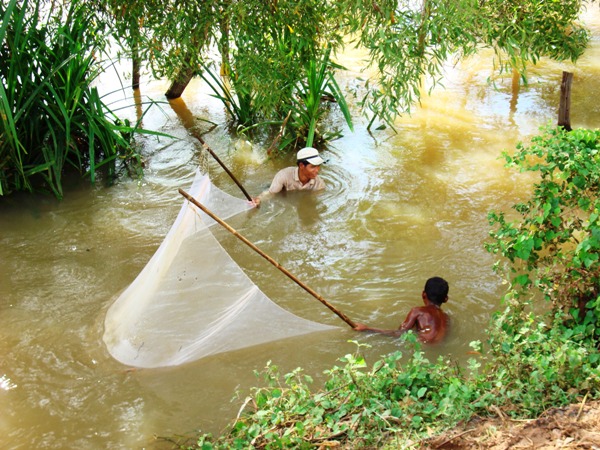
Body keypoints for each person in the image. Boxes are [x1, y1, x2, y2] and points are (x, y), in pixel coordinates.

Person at [353, 277, 450, 343]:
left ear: (423, 294)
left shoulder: (418, 311)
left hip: (421, 345)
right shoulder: (446, 317)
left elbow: (399, 333)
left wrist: (367, 329)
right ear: (446, 299)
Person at [252, 147, 325, 206]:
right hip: (275, 190)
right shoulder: (283, 175)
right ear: (301, 166)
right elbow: (271, 193)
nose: (317, 170)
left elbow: (312, 201)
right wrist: (258, 199)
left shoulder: (319, 184)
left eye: (318, 166)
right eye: (313, 167)